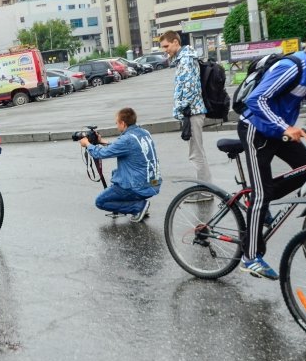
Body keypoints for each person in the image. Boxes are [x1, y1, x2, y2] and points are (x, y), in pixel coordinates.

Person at [236, 27, 306, 279]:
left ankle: (261, 197)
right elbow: (256, 100)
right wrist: (285, 126)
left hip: (279, 130)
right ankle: (250, 256)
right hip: (256, 129)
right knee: (262, 193)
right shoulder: (292, 67)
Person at [79, 108, 161, 222]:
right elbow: (124, 147)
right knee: (119, 177)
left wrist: (87, 144)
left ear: (123, 123)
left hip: (138, 186)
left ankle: (139, 207)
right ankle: (139, 205)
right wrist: (102, 141)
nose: (116, 125)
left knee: (101, 201)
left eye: (117, 123)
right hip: (153, 183)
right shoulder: (144, 132)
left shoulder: (126, 139)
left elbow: (100, 154)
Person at [159, 31, 211, 184]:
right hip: (192, 111)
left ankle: (205, 190)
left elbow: (189, 88)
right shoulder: (184, 58)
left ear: (176, 42)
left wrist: (179, 108)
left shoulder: (186, 59)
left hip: (192, 112)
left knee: (196, 154)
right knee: (197, 152)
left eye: (166, 46)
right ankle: (205, 187)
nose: (165, 50)